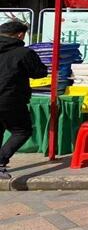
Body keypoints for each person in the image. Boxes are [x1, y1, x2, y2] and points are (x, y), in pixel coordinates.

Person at [0, 22, 48, 180]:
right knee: (22, 130)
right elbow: (39, 72)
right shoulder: (24, 53)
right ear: (20, 35)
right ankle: (1, 161)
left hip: (8, 97)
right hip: (10, 98)